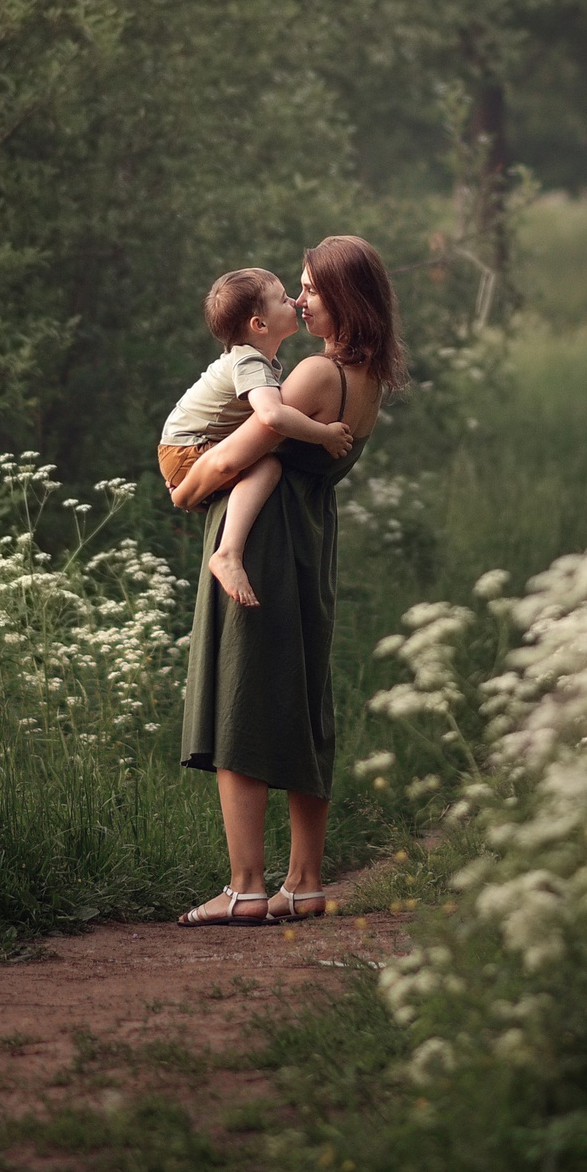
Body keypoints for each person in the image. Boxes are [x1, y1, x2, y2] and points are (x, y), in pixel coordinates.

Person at [168, 235, 404, 928]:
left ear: (346, 298)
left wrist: (185, 491)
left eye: (310, 288)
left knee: (239, 695)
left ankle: (245, 886)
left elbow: (232, 458)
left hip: (262, 541)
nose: (300, 301)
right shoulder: (368, 381)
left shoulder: (315, 374)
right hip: (311, 540)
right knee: (302, 700)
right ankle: (303, 882)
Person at [156, 268, 355, 610]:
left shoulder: (257, 361)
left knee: (258, 461)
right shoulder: (251, 363)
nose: (294, 301)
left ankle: (208, 507)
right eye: (283, 299)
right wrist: (324, 434)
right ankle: (228, 554)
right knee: (268, 467)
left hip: (181, 445)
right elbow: (273, 417)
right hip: (188, 447)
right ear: (259, 325)